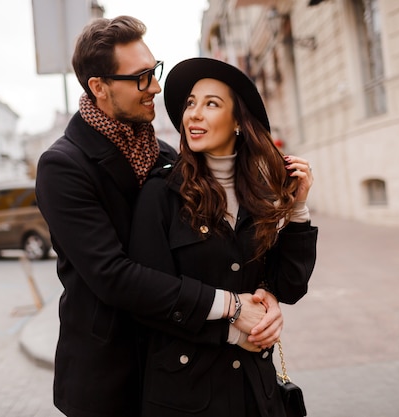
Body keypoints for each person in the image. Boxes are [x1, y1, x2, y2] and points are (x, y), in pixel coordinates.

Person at [35, 16, 286, 417]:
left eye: (155, 72)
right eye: (140, 78)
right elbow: (113, 275)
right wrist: (233, 310)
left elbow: (212, 261)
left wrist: (264, 298)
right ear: (98, 87)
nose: (155, 86)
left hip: (179, 368)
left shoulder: (166, 159)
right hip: (110, 376)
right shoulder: (63, 166)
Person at [128, 57, 318, 417]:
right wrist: (235, 327)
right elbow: (146, 298)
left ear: (238, 123)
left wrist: (297, 209)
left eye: (211, 104)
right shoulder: (162, 193)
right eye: (190, 104)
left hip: (255, 393)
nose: (194, 115)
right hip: (186, 397)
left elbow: (289, 285)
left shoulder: (260, 193)